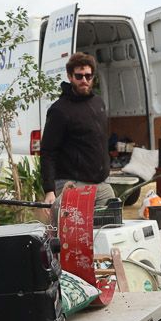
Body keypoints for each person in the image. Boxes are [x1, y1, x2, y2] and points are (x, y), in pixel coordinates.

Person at [38, 52, 114, 210]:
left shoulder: (98, 103)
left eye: (88, 76)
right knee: (76, 232)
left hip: (101, 184)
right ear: (70, 76)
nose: (84, 80)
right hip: (72, 185)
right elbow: (48, 152)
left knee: (111, 227)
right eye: (79, 76)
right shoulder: (59, 110)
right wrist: (49, 190)